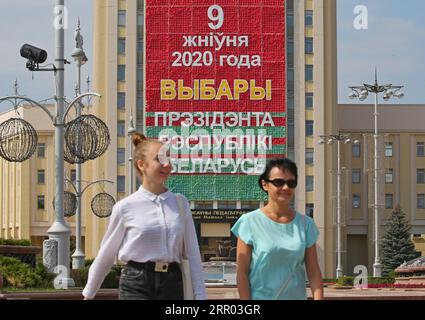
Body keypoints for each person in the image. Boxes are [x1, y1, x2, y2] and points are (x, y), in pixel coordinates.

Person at [82, 133, 206, 300]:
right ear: (141, 164)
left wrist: (200, 296)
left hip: (172, 283)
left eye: (168, 158)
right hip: (136, 283)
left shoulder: (180, 204)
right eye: (159, 159)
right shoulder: (125, 207)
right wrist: (88, 295)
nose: (167, 164)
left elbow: (193, 255)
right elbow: (106, 255)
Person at [231, 158, 323, 300]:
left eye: (291, 183)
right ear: (265, 184)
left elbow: (313, 270)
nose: (286, 188)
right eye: (279, 182)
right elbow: (241, 272)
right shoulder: (249, 222)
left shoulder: (306, 224)